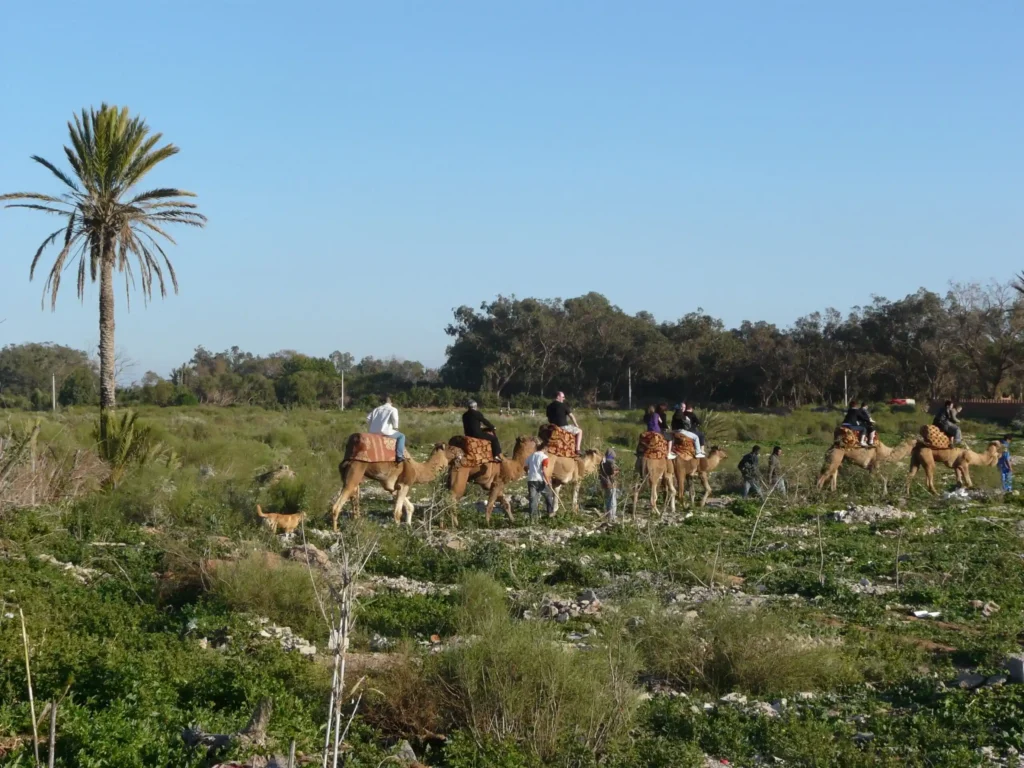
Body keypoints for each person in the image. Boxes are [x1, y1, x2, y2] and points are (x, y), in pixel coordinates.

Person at [366, 394, 405, 462]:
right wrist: (396, 428)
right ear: (391, 402)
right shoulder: (393, 409)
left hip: (373, 432)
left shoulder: (376, 409)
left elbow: (368, 418)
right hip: (386, 432)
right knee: (401, 436)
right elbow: (395, 419)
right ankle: (399, 456)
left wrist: (372, 426)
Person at [525, 445, 555, 519]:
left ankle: (533, 518)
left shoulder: (530, 456)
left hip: (531, 480)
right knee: (548, 496)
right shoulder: (544, 457)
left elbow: (525, 467)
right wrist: (548, 481)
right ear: (544, 448)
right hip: (540, 480)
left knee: (533, 499)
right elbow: (544, 470)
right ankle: (550, 513)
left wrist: (528, 473)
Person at [599, 449, 620, 522]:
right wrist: (617, 472)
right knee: (612, 500)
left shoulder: (602, 462)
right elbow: (613, 472)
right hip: (611, 483)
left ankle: (608, 515)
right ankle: (612, 516)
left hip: (604, 483)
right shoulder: (611, 462)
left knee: (607, 499)